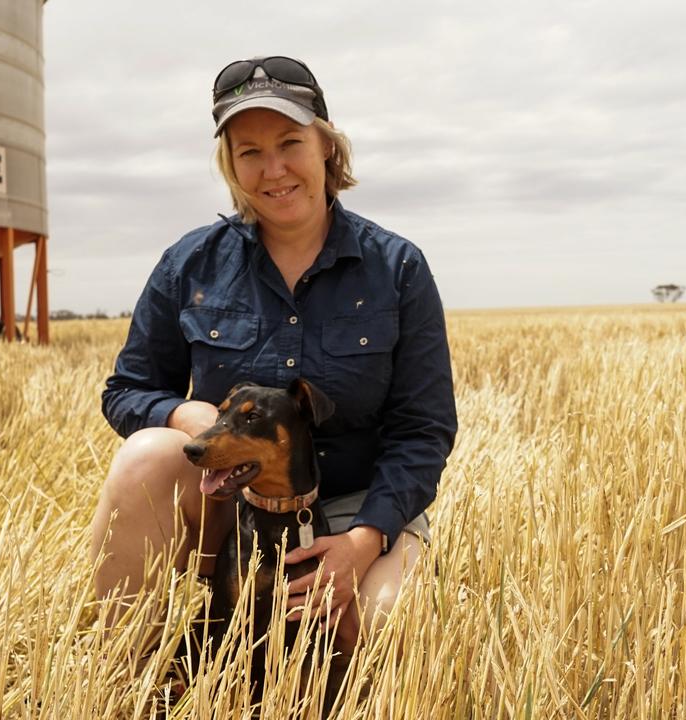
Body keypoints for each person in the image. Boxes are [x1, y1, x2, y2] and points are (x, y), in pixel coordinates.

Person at [89, 56, 456, 653]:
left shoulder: (398, 268)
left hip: (356, 507)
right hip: (230, 506)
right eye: (249, 152)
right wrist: (184, 416)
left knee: (390, 621)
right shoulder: (190, 264)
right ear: (230, 166)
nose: (273, 169)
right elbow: (126, 391)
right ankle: (120, 680)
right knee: (144, 456)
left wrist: (364, 541)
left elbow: (424, 430)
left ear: (328, 150)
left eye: (291, 143)